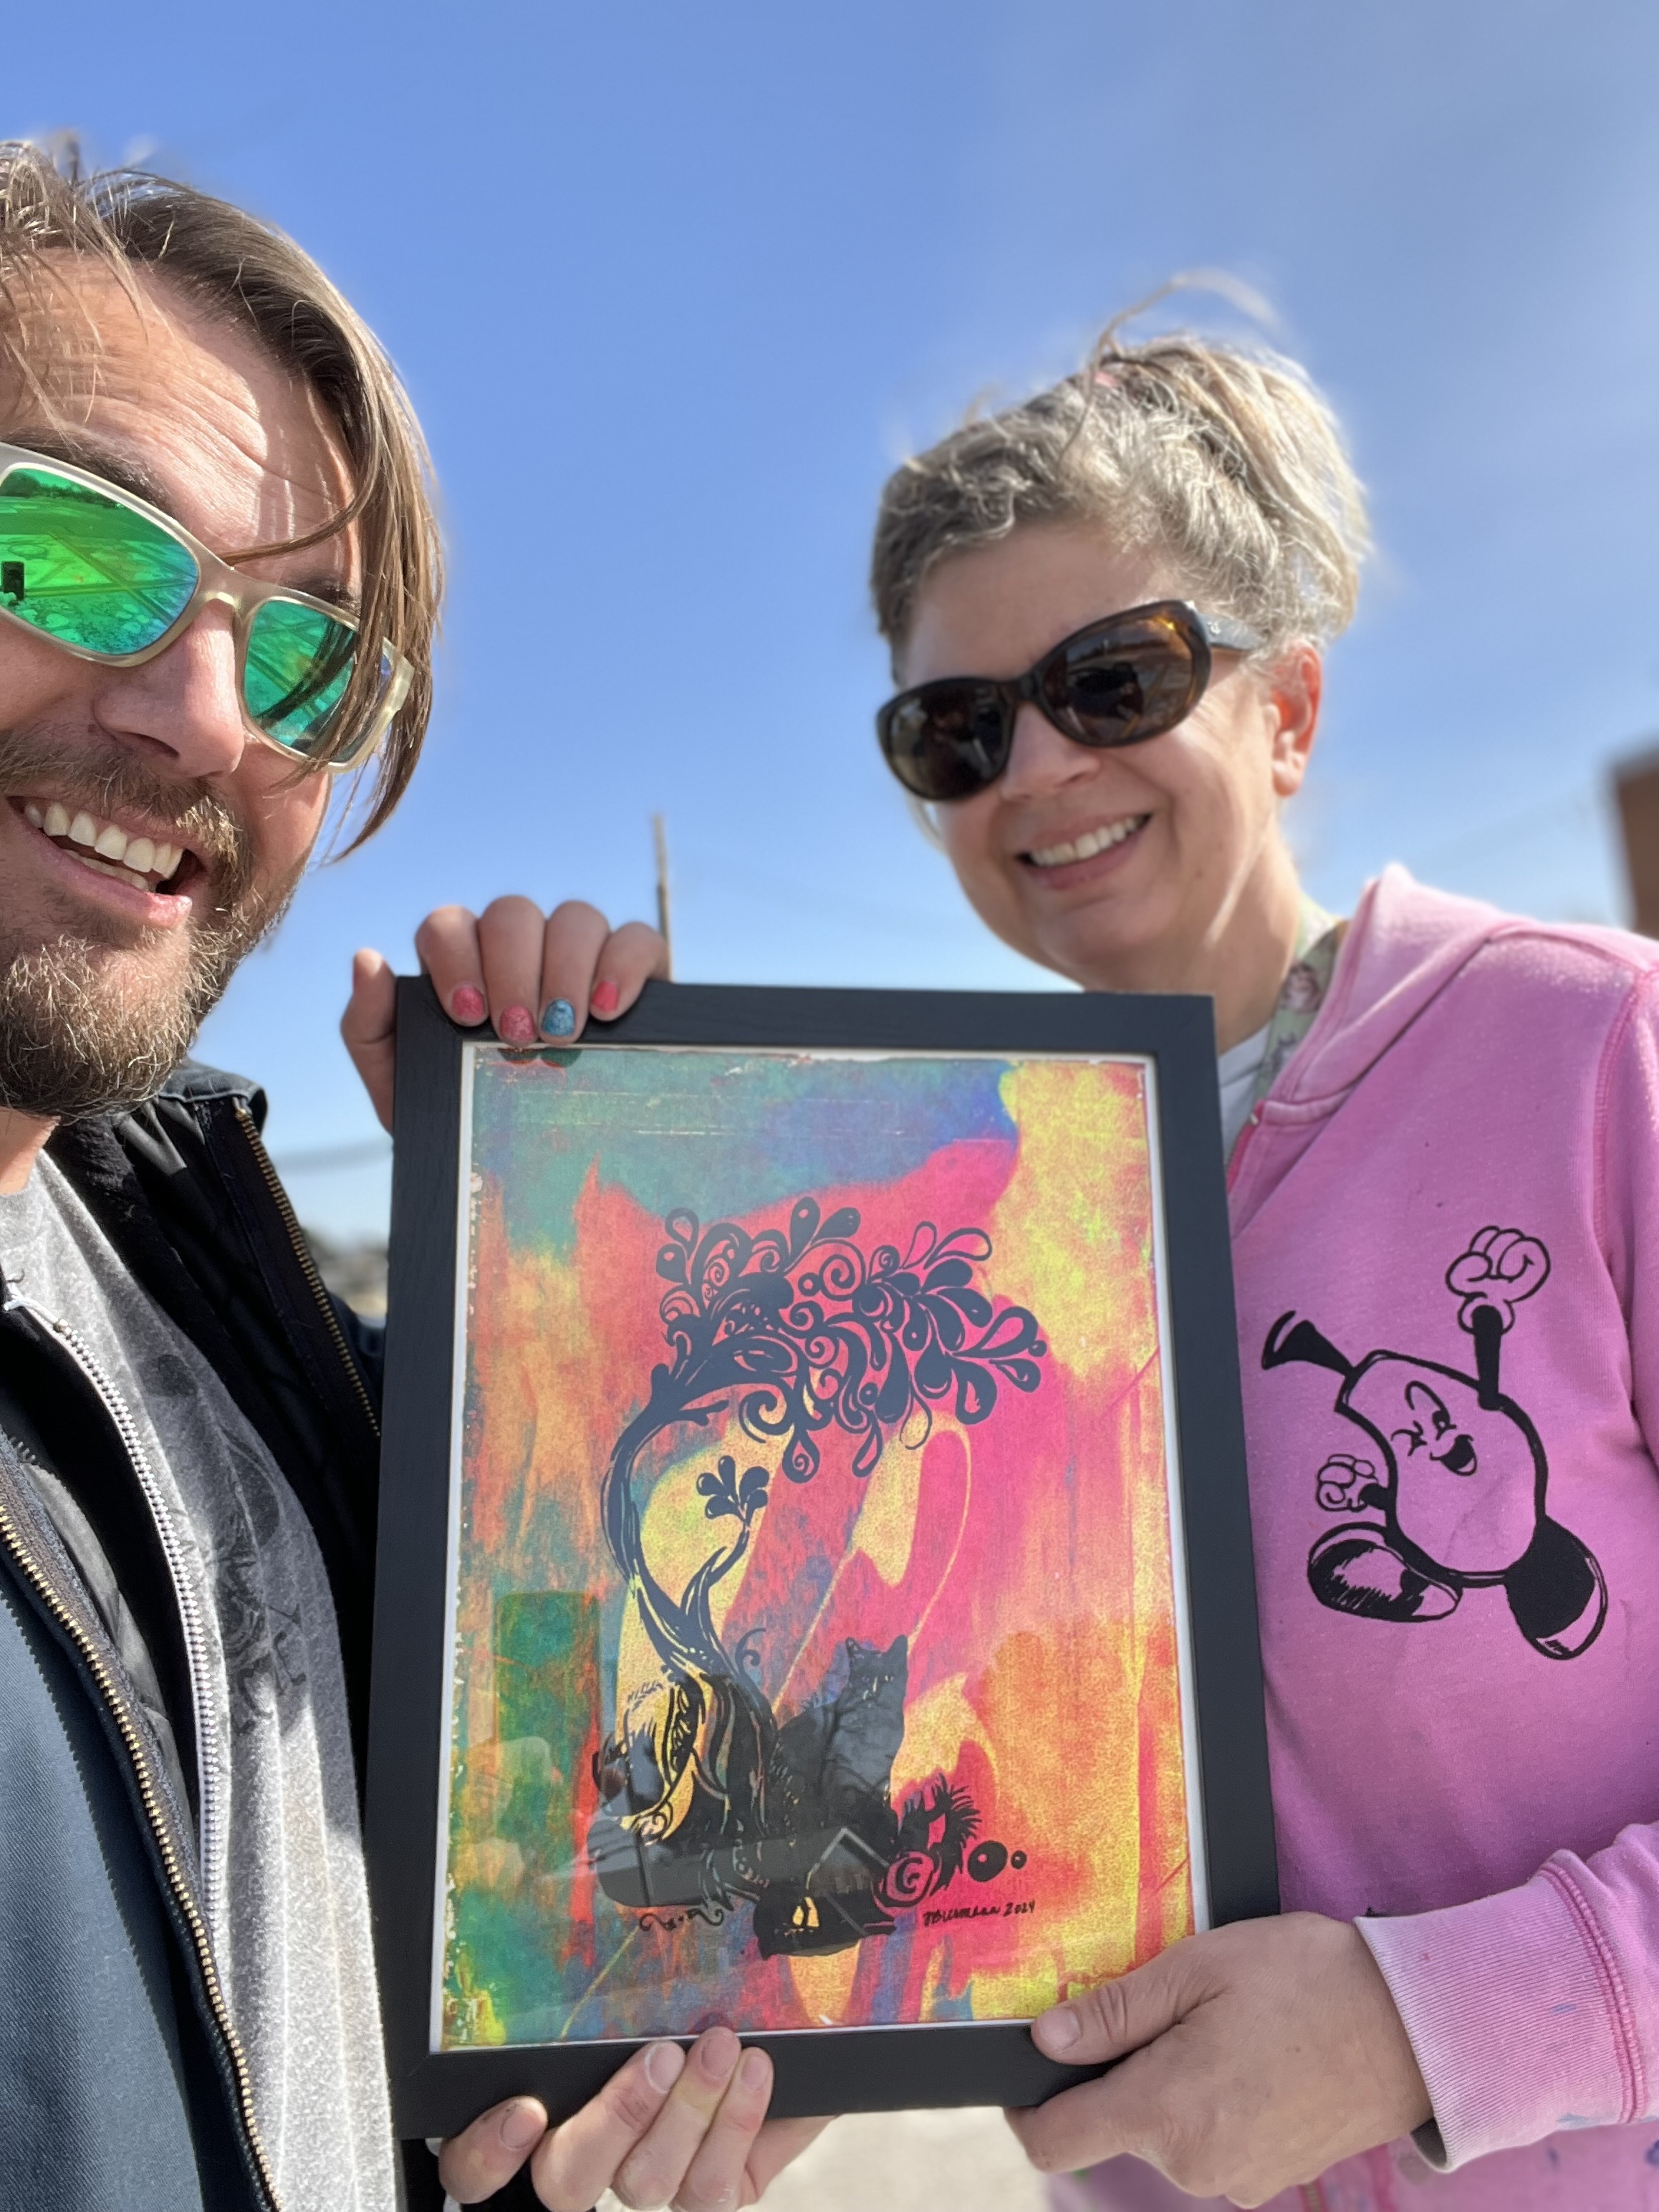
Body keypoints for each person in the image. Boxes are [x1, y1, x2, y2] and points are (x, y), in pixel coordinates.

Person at [0, 140, 821, 2212]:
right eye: (67, 553)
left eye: (309, 667)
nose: (207, 718)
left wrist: (557, 1222)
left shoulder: (211, 1305)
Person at [843, 313, 1659, 2208]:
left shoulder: (1593, 1054)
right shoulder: (956, 1230)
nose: (1038, 764)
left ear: (1285, 711)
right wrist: (546, 1119)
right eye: (958, 729)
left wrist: (1425, 2025)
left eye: (1114, 678)